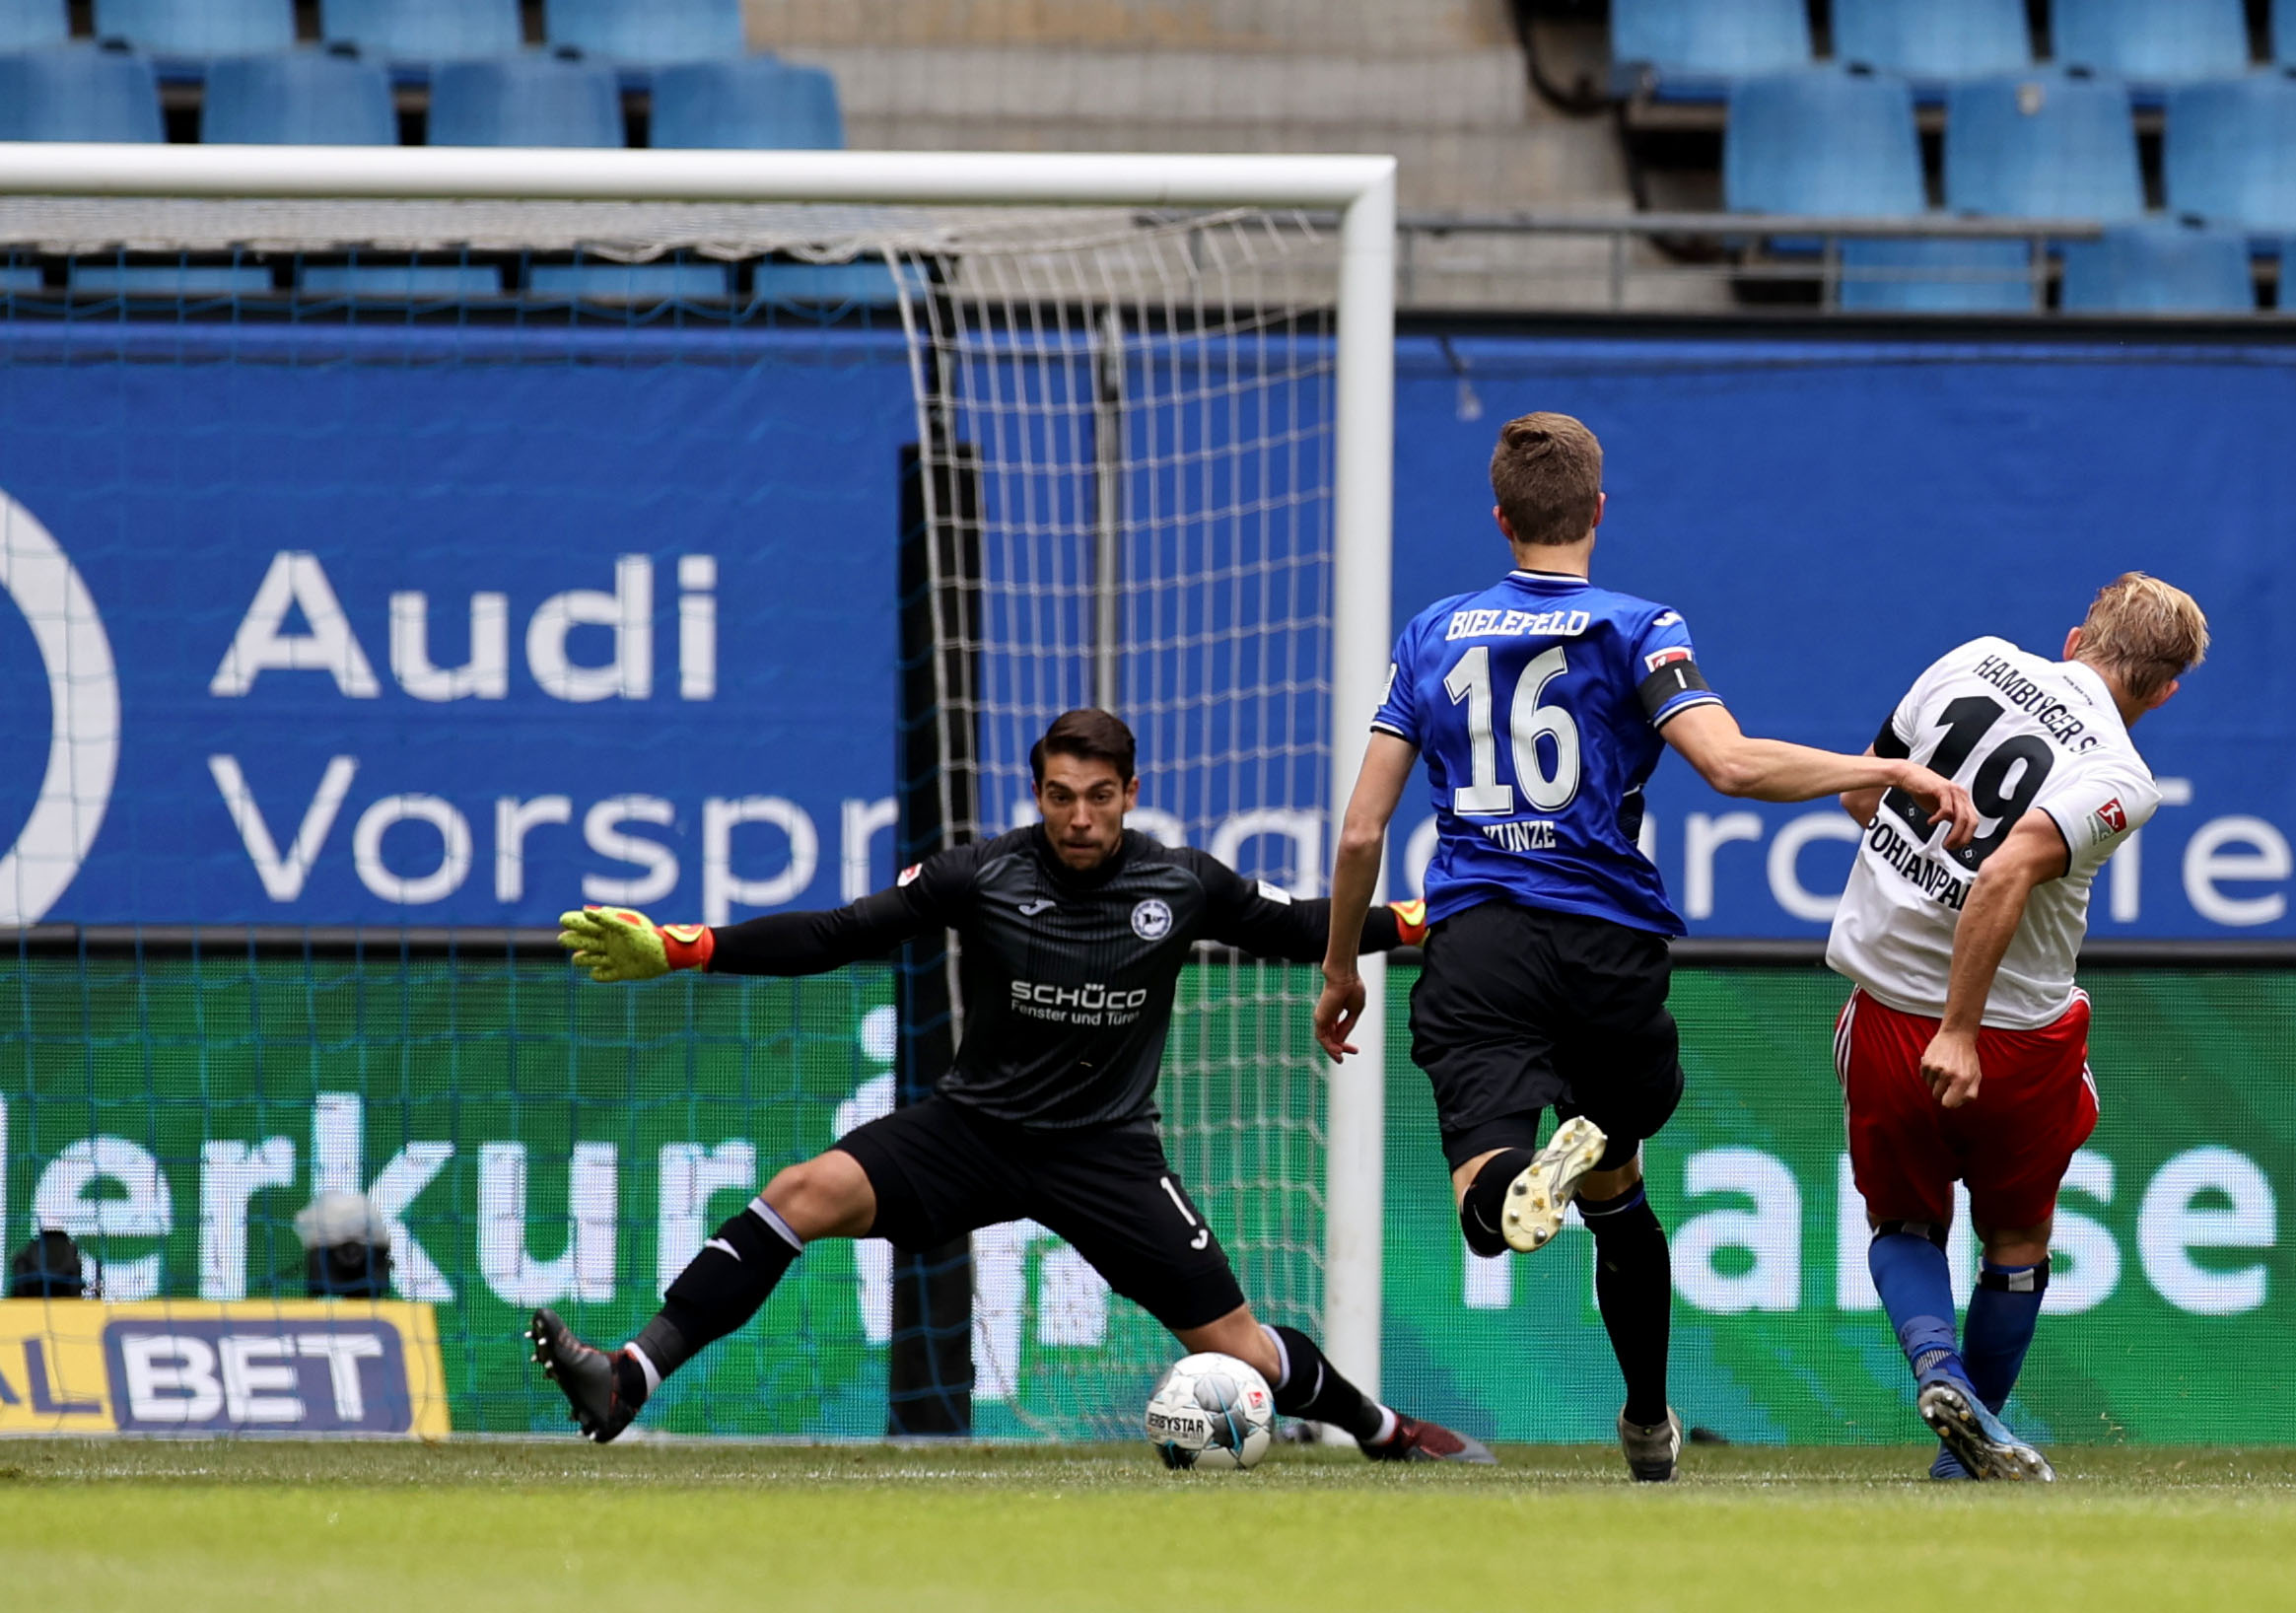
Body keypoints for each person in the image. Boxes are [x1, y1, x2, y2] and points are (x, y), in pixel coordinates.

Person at [531, 707, 1490, 1461]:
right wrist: (686, 946)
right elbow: (837, 933)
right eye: (1060, 796)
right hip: (973, 1130)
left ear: (1130, 794)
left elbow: (1304, 924)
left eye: (1100, 796)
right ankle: (628, 1377)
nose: (1079, 816)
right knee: (798, 1195)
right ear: (1034, 791)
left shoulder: (1180, 884)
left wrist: (1428, 921)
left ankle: (1381, 1429)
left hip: (1105, 1150)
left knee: (1237, 1346)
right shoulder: (978, 875)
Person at [1315, 412, 1979, 1482]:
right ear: (1596, 511)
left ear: (1499, 517)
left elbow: (1358, 830)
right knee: (1618, 1178)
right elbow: (1726, 765)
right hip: (1606, 948)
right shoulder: (1638, 627)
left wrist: (1343, 962)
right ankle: (1642, 1420)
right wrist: (1882, 773)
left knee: (1487, 1216)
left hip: (1476, 939)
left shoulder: (1429, 633)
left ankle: (1515, 1188)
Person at [1827, 573, 2206, 1481]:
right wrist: (1959, 1029)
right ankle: (1967, 1458)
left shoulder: (1975, 658)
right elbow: (2002, 877)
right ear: (2163, 691)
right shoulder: (2121, 778)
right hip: (2011, 1039)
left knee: (1904, 1226)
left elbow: (1860, 792)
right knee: (2014, 1243)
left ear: (2076, 636)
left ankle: (1936, 1368)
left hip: (1883, 1014)